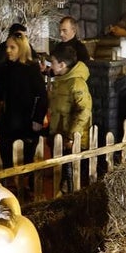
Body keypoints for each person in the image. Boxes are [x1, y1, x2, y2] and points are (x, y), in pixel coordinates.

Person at [0, 31, 48, 169]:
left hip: (26, 120)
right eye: (7, 47)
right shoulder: (6, 67)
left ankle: (26, 186)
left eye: (12, 47)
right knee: (6, 157)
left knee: (26, 159)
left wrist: (38, 118)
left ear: (21, 48)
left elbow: (42, 95)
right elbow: (1, 87)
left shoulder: (31, 69)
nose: (8, 50)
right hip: (8, 119)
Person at [47, 42, 92, 192]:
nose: (51, 66)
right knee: (61, 177)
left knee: (71, 179)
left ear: (62, 64)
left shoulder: (76, 83)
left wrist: (72, 136)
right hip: (60, 135)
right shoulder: (62, 80)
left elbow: (84, 110)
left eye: (53, 62)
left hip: (70, 140)